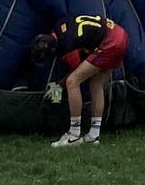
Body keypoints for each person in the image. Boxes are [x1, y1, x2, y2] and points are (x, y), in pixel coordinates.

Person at [28, 13, 128, 147]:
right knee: (96, 83)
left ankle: (74, 134)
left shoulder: (68, 44)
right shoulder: (60, 27)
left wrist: (57, 88)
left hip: (110, 41)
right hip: (119, 33)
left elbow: (74, 73)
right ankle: (94, 135)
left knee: (72, 82)